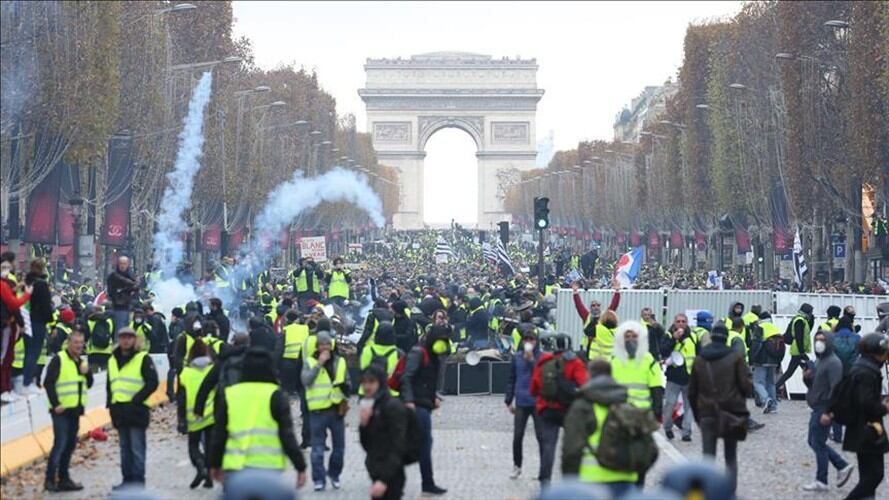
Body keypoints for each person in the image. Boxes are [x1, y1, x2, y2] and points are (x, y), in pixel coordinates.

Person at [208, 347, 307, 491]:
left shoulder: (230, 394)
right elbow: (287, 435)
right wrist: (300, 466)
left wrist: (214, 463)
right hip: (269, 467)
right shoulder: (276, 395)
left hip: (236, 466)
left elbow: (219, 434)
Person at [687, 323, 753, 495]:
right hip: (731, 412)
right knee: (730, 457)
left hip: (707, 412)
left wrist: (698, 415)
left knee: (708, 458)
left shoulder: (700, 360)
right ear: (726, 338)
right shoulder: (735, 358)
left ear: (711, 337)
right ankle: (730, 493)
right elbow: (746, 387)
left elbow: (692, 391)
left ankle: (709, 493)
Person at [562, 359, 637, 497]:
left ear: (589, 375)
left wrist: (569, 481)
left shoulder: (582, 406)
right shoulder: (627, 404)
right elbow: (646, 446)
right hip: (625, 480)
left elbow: (572, 448)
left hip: (590, 479)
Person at [610, 320, 664, 489]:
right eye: (627, 336)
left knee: (641, 456)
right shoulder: (614, 360)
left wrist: (657, 414)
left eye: (634, 336)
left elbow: (656, 389)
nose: (631, 340)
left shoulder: (648, 360)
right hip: (619, 417)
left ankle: (638, 488)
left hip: (642, 417)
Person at [530, 333, 589, 486]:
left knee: (548, 445)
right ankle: (570, 481)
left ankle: (545, 479)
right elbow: (584, 385)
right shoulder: (575, 362)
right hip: (569, 410)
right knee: (571, 446)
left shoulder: (544, 361)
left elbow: (534, 388)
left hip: (547, 409)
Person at [399, 324, 450, 495]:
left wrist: (433, 397)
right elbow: (406, 378)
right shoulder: (419, 353)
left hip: (424, 405)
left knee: (420, 444)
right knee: (424, 445)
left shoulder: (433, 356)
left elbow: (427, 381)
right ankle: (426, 483)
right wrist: (408, 401)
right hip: (416, 406)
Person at [801, 330, 854, 492]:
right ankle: (842, 465)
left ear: (829, 342)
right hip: (817, 406)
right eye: (817, 339)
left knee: (817, 442)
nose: (819, 343)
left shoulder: (833, 363)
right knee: (813, 441)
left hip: (823, 408)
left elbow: (836, 390)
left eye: (822, 340)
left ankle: (822, 480)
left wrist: (828, 412)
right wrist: (807, 377)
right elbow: (816, 385)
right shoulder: (820, 361)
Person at [107, 327, 159, 489]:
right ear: (119, 340)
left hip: (136, 411)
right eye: (123, 337)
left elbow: (152, 382)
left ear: (134, 339)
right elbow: (110, 385)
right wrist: (110, 405)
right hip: (119, 410)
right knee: (124, 448)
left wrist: (137, 400)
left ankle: (138, 482)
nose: (126, 341)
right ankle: (127, 480)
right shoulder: (112, 360)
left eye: (129, 337)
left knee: (136, 448)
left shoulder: (143, 358)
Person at [840, 333, 889, 499]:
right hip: (866, 429)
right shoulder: (866, 371)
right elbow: (865, 402)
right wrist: (883, 407)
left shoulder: (864, 367)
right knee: (874, 476)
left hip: (863, 428)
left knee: (869, 475)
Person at [43, 330, 92, 492]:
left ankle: (64, 478)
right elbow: (48, 382)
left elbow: (89, 383)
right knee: (60, 444)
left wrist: (88, 373)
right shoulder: (59, 359)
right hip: (61, 411)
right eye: (76, 342)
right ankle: (50, 479)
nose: (79, 346)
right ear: (69, 343)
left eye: (81, 343)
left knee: (70, 444)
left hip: (75, 410)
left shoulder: (81, 362)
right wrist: (55, 404)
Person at [301, 330, 350, 492]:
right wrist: (319, 364)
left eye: (327, 344)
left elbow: (347, 381)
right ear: (317, 346)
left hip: (336, 410)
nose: (325, 347)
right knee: (317, 449)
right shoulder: (310, 362)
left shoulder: (340, 362)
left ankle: (334, 474)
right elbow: (306, 381)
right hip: (318, 411)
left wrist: (345, 394)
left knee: (339, 448)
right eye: (322, 344)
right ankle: (318, 479)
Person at [359, 365, 409, 500]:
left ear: (380, 383)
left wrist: (384, 480)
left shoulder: (392, 407)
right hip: (376, 470)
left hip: (391, 475)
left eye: (371, 382)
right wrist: (364, 425)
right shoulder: (372, 405)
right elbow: (367, 445)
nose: (367, 386)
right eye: (364, 382)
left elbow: (398, 447)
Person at [504, 325, 543, 480]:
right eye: (526, 340)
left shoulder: (541, 357)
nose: (529, 342)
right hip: (521, 401)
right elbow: (511, 379)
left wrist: (531, 360)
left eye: (531, 339)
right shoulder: (517, 357)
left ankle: (543, 469)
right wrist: (508, 400)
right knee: (518, 436)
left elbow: (541, 375)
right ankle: (517, 465)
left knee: (541, 436)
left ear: (536, 341)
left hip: (537, 401)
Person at [177, 338, 216, 489]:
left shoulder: (185, 374)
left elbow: (181, 398)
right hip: (211, 414)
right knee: (210, 447)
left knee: (193, 445)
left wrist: (181, 419)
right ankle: (209, 477)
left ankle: (200, 466)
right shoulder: (212, 369)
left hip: (193, 416)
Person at [661, 313, 697, 442]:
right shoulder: (668, 335)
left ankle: (686, 432)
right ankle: (667, 427)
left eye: (683, 321)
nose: (681, 323)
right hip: (674, 377)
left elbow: (699, 354)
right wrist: (674, 339)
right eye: (678, 321)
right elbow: (663, 351)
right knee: (669, 404)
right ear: (674, 322)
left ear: (687, 323)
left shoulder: (693, 336)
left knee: (689, 407)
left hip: (690, 377)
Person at [1, 255, 31, 402]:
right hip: (5, 324)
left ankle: (7, 388)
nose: (7, 270)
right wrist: (27, 295)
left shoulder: (8, 283)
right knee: (5, 358)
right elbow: (13, 304)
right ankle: (4, 389)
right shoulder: (4, 284)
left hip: (9, 323)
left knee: (8, 358)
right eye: (4, 267)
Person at [24, 259, 52, 395]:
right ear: (42, 269)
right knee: (34, 352)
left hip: (25, 320)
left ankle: (25, 380)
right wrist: (50, 320)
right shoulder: (41, 284)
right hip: (38, 321)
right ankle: (28, 382)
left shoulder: (27, 282)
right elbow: (46, 305)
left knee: (28, 351)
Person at [776, 303, 814, 393]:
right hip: (798, 351)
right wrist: (801, 351)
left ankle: (775, 387)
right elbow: (798, 336)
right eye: (811, 312)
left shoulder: (803, 319)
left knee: (790, 372)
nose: (811, 314)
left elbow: (807, 331)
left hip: (798, 351)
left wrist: (812, 320)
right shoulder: (799, 321)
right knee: (811, 370)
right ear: (807, 311)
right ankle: (815, 390)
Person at [749, 311, 782, 414]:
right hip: (774, 360)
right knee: (770, 383)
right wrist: (779, 361)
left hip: (761, 360)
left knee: (757, 382)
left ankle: (766, 399)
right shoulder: (775, 328)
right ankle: (773, 406)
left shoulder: (760, 328)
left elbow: (756, 345)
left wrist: (752, 359)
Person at [106, 256, 139, 334]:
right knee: (120, 331)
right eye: (121, 263)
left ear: (128, 264)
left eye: (124, 264)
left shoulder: (131, 275)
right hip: (118, 307)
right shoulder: (113, 276)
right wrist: (128, 289)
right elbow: (111, 292)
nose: (122, 266)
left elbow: (136, 288)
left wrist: (124, 289)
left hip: (130, 307)